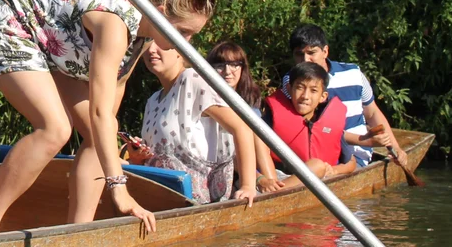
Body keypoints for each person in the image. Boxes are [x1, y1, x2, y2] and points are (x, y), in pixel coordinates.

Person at [0, 0, 216, 235]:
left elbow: (106, 115)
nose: (187, 43)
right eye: (183, 32)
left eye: (192, 34)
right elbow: (98, 111)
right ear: (159, 14)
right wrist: (118, 188)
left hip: (55, 48)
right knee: (55, 129)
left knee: (105, 131)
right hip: (10, 28)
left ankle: (79, 232)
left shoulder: (142, 37)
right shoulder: (116, 26)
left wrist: (108, 143)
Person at [125, 39, 259, 205]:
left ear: (180, 49)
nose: (151, 49)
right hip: (162, 202)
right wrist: (137, 157)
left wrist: (248, 186)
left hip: (201, 205)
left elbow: (242, 128)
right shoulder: (153, 100)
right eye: (147, 42)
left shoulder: (192, 79)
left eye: (159, 42)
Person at [283, 24, 401, 167]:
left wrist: (396, 148)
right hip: (315, 157)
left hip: (356, 155)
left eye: (311, 53)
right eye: (299, 54)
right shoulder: (291, 83)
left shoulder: (353, 74)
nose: (306, 60)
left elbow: (372, 113)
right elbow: (307, 127)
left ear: (325, 51)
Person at [265, 61, 375, 186]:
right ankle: (280, 191)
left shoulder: (331, 121)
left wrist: (334, 170)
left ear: (323, 96)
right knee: (317, 166)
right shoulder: (272, 116)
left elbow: (351, 163)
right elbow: (258, 151)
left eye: (313, 90)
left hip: (317, 175)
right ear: (289, 89)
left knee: (317, 166)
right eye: (300, 88)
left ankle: (281, 192)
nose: (305, 96)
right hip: (278, 177)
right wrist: (265, 179)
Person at [206, 41, 284, 195]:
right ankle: (268, 184)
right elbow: (226, 153)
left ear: (242, 68)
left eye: (234, 64)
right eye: (220, 66)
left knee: (316, 167)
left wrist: (267, 179)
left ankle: (274, 186)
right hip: (225, 169)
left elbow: (260, 147)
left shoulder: (249, 101)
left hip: (254, 170)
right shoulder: (207, 100)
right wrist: (258, 179)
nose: (228, 71)